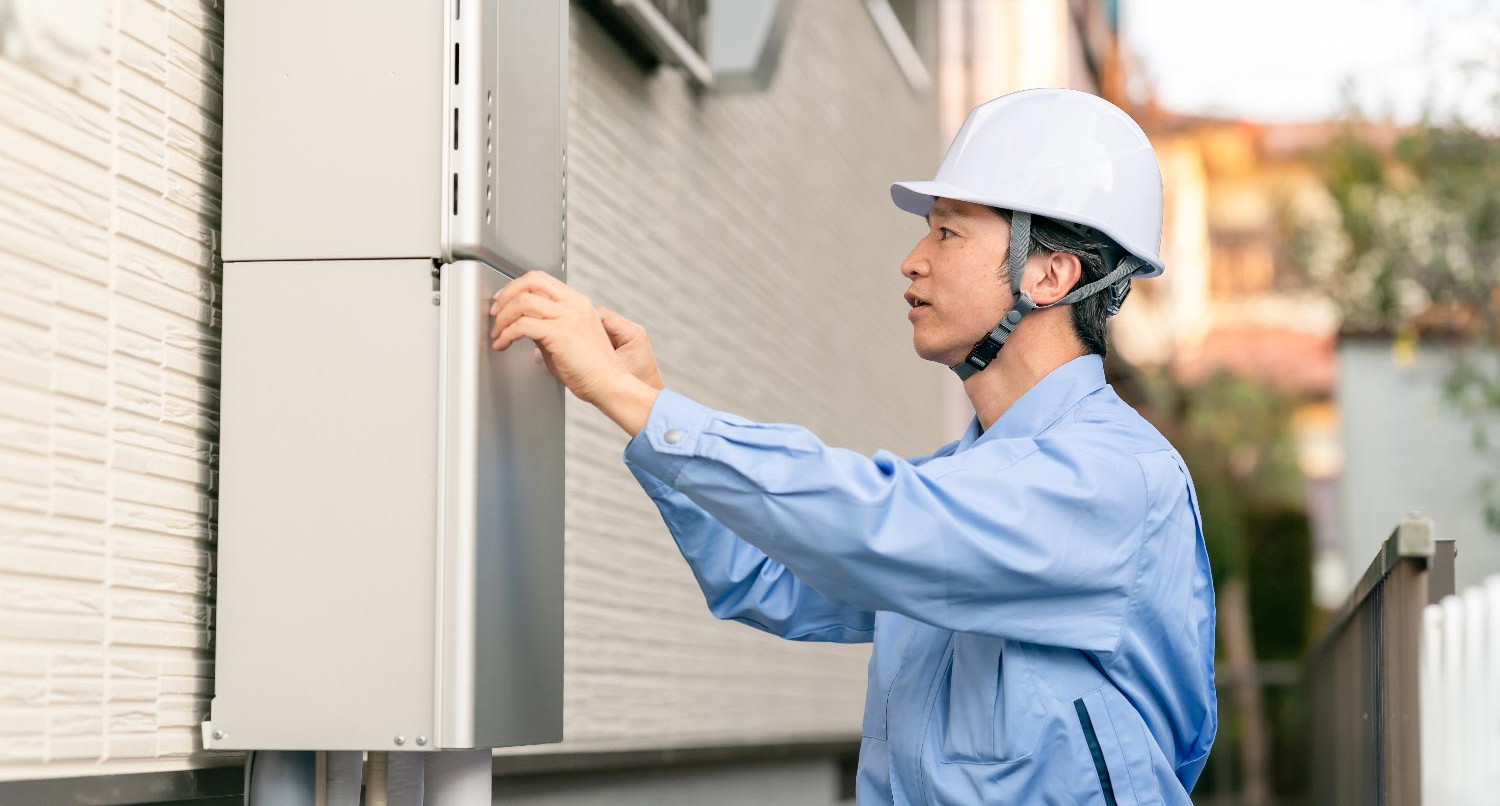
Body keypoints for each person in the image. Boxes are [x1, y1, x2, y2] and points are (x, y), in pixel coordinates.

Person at [488, 87, 1217, 805]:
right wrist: (639, 400)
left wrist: (638, 404)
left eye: (948, 231)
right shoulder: (967, 486)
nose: (912, 260)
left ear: (1049, 274)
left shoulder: (1115, 479)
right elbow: (768, 577)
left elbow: (876, 522)